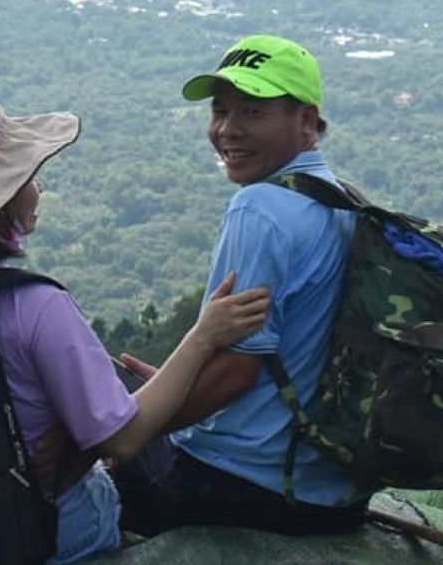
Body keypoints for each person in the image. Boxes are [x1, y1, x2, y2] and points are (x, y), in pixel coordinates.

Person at [0, 79, 270, 564]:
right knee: (115, 457)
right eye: (26, 176)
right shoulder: (36, 307)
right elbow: (124, 438)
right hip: (39, 530)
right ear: (1, 203)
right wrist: (203, 336)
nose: (37, 186)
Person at [107, 33, 366, 536]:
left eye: (252, 113)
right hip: (329, 486)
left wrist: (130, 435)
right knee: (139, 390)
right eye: (220, 111)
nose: (227, 130)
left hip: (243, 486)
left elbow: (236, 375)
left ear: (307, 122)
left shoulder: (260, 209)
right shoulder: (341, 200)